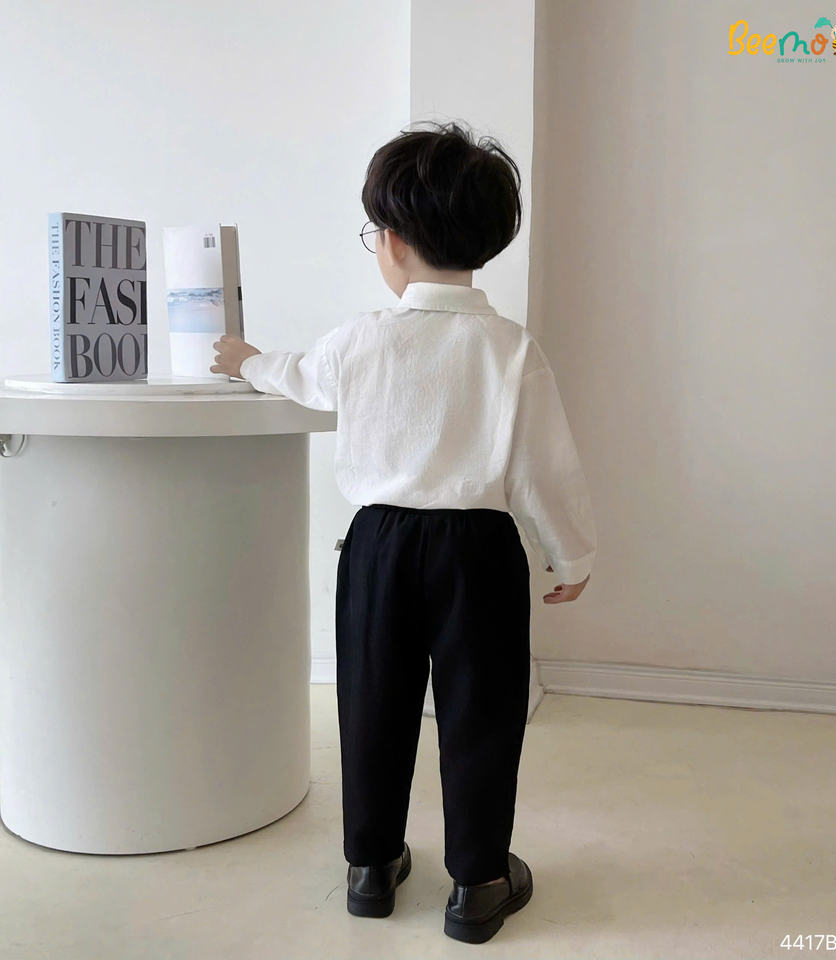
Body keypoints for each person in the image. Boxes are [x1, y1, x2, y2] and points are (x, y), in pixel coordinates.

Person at [210, 119, 597, 944]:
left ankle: (371, 867)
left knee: (371, 705)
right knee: (481, 714)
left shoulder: (360, 340)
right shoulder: (510, 349)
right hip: (478, 551)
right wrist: (571, 554)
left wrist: (244, 359)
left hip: (378, 548)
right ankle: (479, 885)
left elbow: (298, 379)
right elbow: (545, 468)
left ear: (389, 242)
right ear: (487, 240)